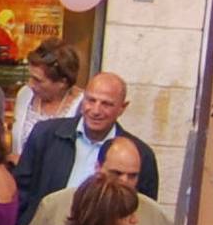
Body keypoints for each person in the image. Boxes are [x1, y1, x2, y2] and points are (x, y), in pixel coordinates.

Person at [18, 68, 155, 211]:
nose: (96, 111)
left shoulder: (139, 155)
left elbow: (145, 211)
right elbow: (21, 190)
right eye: (91, 100)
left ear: (122, 108)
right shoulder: (46, 135)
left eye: (106, 104)